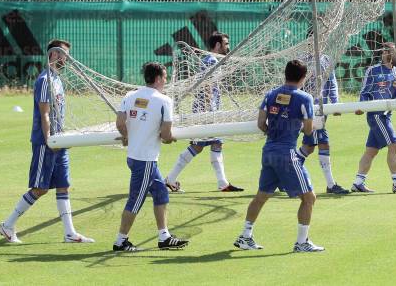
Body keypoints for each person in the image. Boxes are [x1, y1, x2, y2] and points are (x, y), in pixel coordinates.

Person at [0, 39, 94, 243]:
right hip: (46, 142)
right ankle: (7, 225)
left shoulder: (58, 79)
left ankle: (69, 233)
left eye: (67, 55)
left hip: (60, 141)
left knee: (63, 186)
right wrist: (49, 139)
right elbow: (45, 114)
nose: (65, 59)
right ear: (53, 55)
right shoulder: (44, 80)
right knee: (40, 188)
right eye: (62, 54)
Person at [234, 60, 324, 253]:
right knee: (309, 198)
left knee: (261, 196)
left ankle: (245, 236)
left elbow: (260, 123)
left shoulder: (271, 94)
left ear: (285, 74)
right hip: (287, 153)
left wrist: (273, 134)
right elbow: (308, 129)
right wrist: (311, 128)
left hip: (269, 151)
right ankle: (302, 243)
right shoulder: (304, 98)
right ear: (303, 77)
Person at [112, 62, 189, 251]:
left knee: (161, 192)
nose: (166, 80)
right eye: (165, 77)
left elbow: (120, 123)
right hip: (145, 159)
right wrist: (170, 139)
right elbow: (166, 135)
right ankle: (120, 241)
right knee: (136, 199)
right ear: (158, 78)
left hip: (134, 156)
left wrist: (128, 137)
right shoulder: (164, 101)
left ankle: (164, 237)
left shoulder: (130, 96)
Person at [165, 32, 243, 192]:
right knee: (201, 145)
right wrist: (208, 110)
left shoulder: (211, 60)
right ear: (218, 45)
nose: (228, 47)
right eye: (226, 43)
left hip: (207, 109)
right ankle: (170, 179)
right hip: (206, 110)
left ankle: (222, 183)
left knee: (214, 143)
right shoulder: (211, 60)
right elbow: (206, 85)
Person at [351, 42, 396, 194]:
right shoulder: (373, 70)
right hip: (376, 116)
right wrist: (362, 106)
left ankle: (358, 182)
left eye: (394, 52)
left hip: (386, 115)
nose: (393, 54)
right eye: (389, 51)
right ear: (384, 53)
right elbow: (364, 91)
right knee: (395, 146)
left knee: (371, 151)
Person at [300, 53, 350, 195]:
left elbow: (331, 81)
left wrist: (335, 103)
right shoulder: (302, 59)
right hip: (310, 109)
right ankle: (331, 185)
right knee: (323, 143)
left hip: (322, 109)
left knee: (308, 147)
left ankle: (281, 176)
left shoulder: (326, 59)